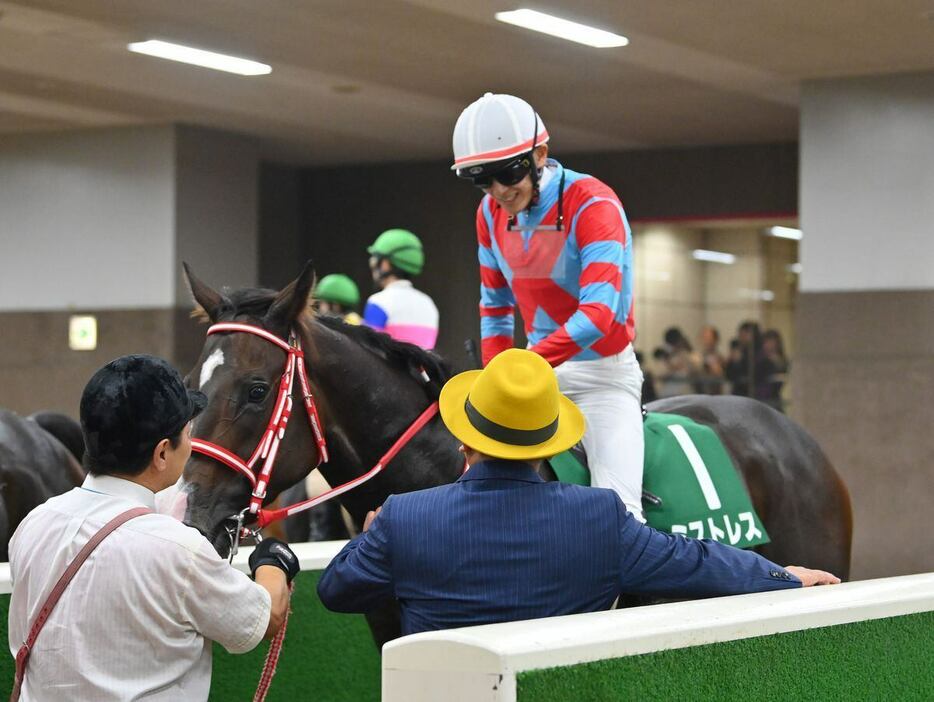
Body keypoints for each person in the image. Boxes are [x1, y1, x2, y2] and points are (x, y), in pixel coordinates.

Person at [316, 349, 839, 636]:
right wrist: (782, 575)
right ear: (548, 448)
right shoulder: (601, 517)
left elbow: (336, 590)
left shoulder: (403, 519)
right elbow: (699, 562)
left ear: (464, 443)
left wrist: (371, 536)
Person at [8, 354, 300, 701]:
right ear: (162, 453)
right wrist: (272, 560)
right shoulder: (178, 549)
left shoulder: (35, 523)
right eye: (188, 433)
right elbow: (266, 617)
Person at [451, 92, 646, 520]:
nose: (499, 191)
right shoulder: (487, 214)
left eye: (508, 173)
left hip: (602, 379)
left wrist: (521, 366)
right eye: (482, 180)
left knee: (620, 514)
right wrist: (495, 379)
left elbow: (599, 315)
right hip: (537, 378)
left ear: (540, 154)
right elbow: (495, 306)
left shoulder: (593, 202)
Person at [363, 228, 440, 350]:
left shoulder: (377, 302)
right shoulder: (429, 304)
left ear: (385, 264)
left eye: (374, 260)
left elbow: (368, 350)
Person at [757, 329, 789, 412]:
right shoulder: (760, 359)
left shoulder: (782, 359)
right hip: (761, 396)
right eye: (766, 342)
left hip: (774, 396)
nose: (768, 345)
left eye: (771, 342)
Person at [695, 325, 726, 394]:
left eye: (708, 337)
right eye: (703, 337)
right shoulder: (698, 356)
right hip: (699, 394)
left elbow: (718, 373)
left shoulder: (720, 357)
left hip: (714, 395)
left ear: (715, 339)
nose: (705, 340)